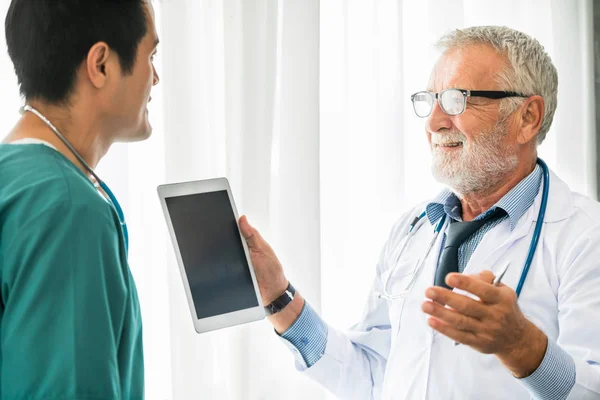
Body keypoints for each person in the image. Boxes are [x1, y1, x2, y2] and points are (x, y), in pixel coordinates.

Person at [239, 26, 600, 399]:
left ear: (527, 117)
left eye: (458, 100)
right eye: (431, 101)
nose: (434, 123)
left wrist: (522, 348)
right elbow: (374, 377)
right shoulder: (414, 229)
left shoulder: (586, 237)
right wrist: (278, 297)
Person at [0, 0, 159, 398]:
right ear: (101, 64)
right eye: (150, 56)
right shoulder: (69, 209)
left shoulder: (16, 180)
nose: (155, 78)